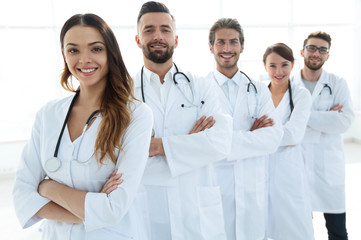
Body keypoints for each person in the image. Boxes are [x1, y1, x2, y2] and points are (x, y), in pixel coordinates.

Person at [12, 13, 153, 239]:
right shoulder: (48, 115)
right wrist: (88, 211)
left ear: (110, 53)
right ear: (64, 55)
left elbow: (113, 209)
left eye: (95, 49)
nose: (84, 60)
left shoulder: (136, 116)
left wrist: (49, 189)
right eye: (73, 50)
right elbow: (22, 194)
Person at [133, 2, 233, 240]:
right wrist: (192, 145)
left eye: (165, 29)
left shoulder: (200, 86)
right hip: (148, 205)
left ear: (176, 39)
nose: (158, 36)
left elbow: (221, 142)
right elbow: (122, 154)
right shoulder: (123, 91)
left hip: (195, 207)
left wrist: (159, 146)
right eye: (149, 30)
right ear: (137, 40)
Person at [207, 18, 283, 240]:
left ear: (242, 46)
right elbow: (202, 143)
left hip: (252, 189)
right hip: (216, 188)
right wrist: (251, 137)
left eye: (233, 42)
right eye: (221, 42)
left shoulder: (258, 89)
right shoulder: (200, 91)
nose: (227, 49)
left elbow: (273, 137)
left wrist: (222, 141)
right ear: (211, 47)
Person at [293, 31, 355, 240]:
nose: (316, 53)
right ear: (302, 51)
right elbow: (283, 122)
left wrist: (301, 116)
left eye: (322, 50)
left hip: (329, 168)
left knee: (337, 231)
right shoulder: (289, 84)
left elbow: (344, 121)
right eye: (312, 48)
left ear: (328, 56)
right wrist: (326, 117)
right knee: (300, 230)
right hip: (297, 164)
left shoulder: (338, 84)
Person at [263, 43, 314, 240]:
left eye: (284, 65)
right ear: (265, 67)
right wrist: (278, 134)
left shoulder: (301, 95)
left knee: (295, 229)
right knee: (262, 228)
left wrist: (260, 134)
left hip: (289, 172)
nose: (278, 71)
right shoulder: (258, 93)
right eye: (273, 66)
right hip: (261, 170)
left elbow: (294, 135)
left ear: (292, 65)